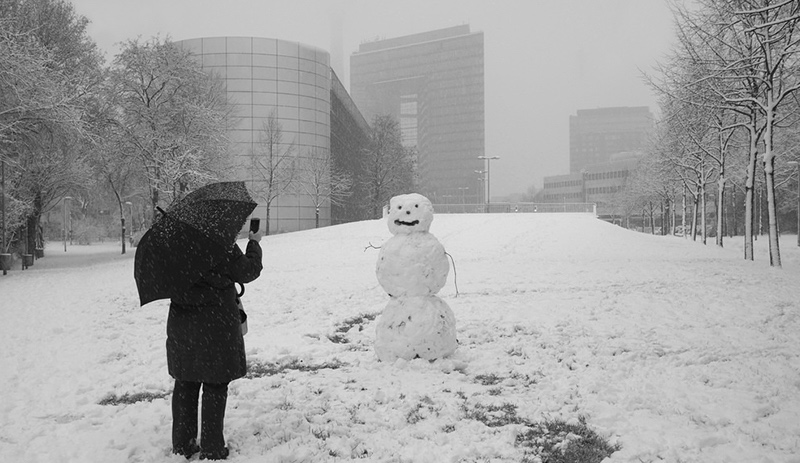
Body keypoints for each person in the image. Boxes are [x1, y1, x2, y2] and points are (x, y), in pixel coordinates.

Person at [167, 229, 263, 460]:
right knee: (215, 385)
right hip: (216, 326)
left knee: (186, 383)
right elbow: (248, 270)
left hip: (184, 326)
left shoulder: (175, 248)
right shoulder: (219, 244)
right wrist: (254, 244)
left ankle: (183, 444)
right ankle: (211, 448)